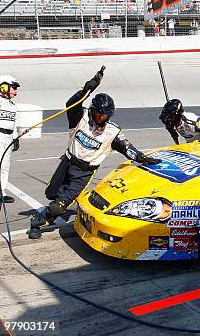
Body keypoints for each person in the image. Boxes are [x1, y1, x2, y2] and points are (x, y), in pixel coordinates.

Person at [28, 68, 161, 239]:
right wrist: (86, 89)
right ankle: (55, 210)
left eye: (105, 116)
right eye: (99, 114)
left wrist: (143, 158)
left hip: (84, 173)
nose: (101, 118)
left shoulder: (112, 132)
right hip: (67, 162)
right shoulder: (80, 117)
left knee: (59, 205)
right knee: (52, 194)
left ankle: (37, 223)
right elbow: (71, 104)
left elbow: (129, 149)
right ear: (92, 109)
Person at [0, 75, 21, 204]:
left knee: (5, 166)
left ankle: (2, 192)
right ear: (4, 87)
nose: (16, 91)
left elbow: (14, 122)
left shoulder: (11, 104)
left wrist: (15, 137)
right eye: (14, 88)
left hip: (8, 138)